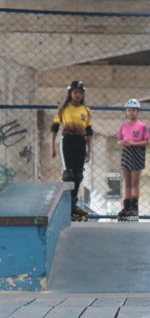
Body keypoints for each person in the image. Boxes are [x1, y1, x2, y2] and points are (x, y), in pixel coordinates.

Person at [51, 80, 93, 221]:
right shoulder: (63, 108)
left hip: (80, 143)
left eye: (80, 93)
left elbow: (89, 131)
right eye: (75, 92)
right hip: (67, 142)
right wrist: (52, 147)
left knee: (78, 175)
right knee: (68, 175)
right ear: (70, 93)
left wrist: (89, 150)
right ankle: (65, 204)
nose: (78, 95)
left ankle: (72, 205)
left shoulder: (85, 110)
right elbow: (54, 128)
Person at [116, 98, 150, 222]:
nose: (131, 112)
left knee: (134, 183)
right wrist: (123, 142)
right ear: (126, 112)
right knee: (127, 183)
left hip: (137, 154)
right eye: (129, 110)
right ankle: (126, 207)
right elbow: (119, 140)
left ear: (137, 112)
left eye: (134, 110)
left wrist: (134, 143)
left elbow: (147, 141)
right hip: (126, 153)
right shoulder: (123, 126)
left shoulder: (142, 126)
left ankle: (134, 208)